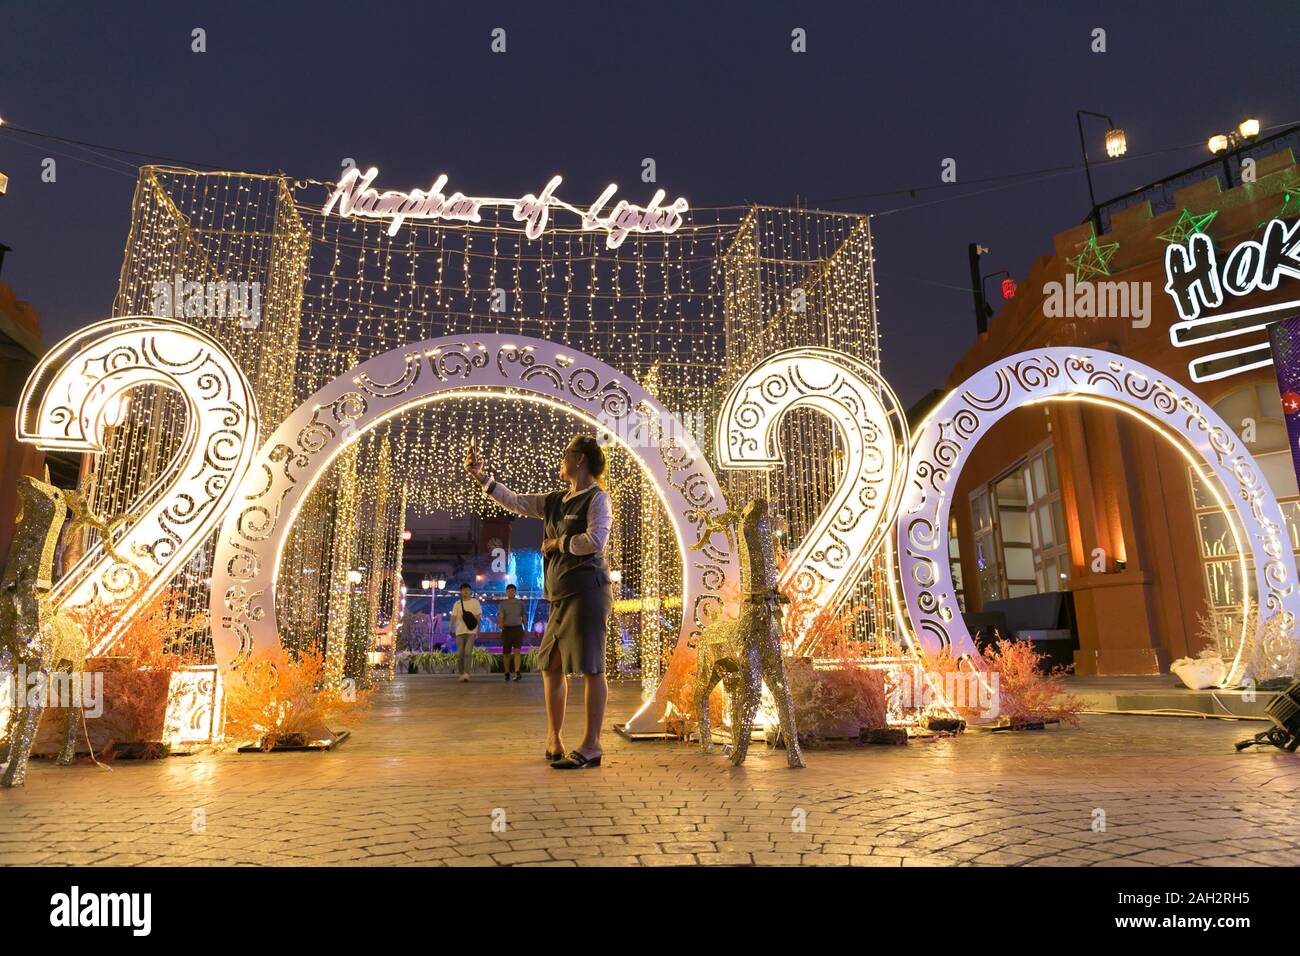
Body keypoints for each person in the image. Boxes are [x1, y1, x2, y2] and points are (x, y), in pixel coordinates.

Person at [465, 435, 612, 769]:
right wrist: (483, 478)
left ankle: (591, 745)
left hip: (588, 591)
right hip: (559, 596)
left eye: (566, 455)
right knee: (551, 665)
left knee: (591, 667)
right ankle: (554, 739)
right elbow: (515, 502)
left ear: (581, 460)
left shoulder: (598, 499)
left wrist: (558, 542)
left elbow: (596, 540)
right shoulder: (555, 499)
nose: (561, 460)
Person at [449, 584, 482, 682]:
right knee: (460, 654)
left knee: (468, 652)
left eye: (467, 590)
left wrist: (479, 628)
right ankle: (461, 673)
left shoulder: (475, 602)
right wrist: (451, 627)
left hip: (471, 631)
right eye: (463, 590)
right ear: (461, 592)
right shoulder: (457, 603)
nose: (466, 592)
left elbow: (477, 616)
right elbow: (453, 616)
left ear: (470, 591)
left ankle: (467, 673)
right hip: (459, 631)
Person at [498, 583, 525, 681]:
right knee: (506, 653)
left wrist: (525, 628)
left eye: (512, 591)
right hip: (507, 629)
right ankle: (507, 672)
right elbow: (500, 615)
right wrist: (500, 624)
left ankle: (517, 672)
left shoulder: (520, 603)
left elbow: (524, 615)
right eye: (508, 591)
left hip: (517, 629)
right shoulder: (503, 604)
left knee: (517, 650)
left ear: (515, 592)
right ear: (506, 592)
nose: (510, 592)